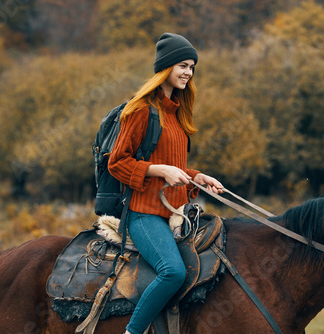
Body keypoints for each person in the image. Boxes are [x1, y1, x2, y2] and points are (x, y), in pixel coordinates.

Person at [108, 32, 223, 334]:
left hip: (174, 212)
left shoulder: (178, 115)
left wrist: (197, 176)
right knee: (172, 272)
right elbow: (118, 162)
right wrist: (159, 170)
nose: (188, 72)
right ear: (166, 67)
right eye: (183, 65)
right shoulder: (142, 110)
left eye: (192, 67)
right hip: (144, 214)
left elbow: (176, 167)